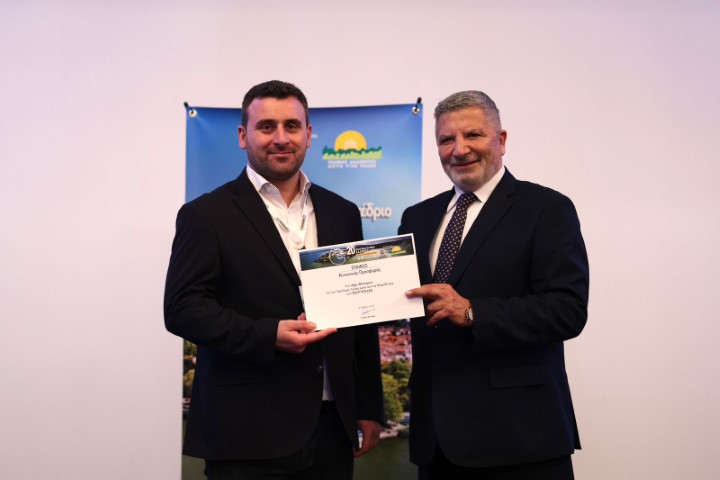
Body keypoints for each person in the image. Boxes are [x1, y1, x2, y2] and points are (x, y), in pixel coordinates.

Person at [164, 80, 384, 480]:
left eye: (292, 126)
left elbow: (361, 318)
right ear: (242, 135)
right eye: (266, 127)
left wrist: (369, 407)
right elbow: (182, 310)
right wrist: (269, 336)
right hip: (246, 430)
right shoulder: (206, 215)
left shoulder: (343, 212)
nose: (281, 138)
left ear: (309, 134)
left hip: (332, 429)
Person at [400, 90, 589, 480]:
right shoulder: (417, 217)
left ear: (500, 140)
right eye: (446, 139)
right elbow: (405, 304)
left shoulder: (547, 209)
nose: (459, 150)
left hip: (519, 438)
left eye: (473, 135)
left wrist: (473, 312)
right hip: (436, 442)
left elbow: (567, 310)